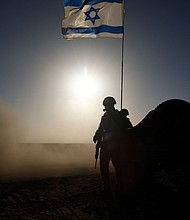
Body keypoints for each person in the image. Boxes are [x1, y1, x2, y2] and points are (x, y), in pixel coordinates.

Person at [93, 96, 132, 191]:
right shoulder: (108, 116)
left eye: (107, 105)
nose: (107, 107)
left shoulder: (118, 116)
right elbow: (101, 128)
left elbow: (129, 128)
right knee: (109, 166)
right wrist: (96, 135)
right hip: (109, 145)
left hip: (114, 145)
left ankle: (117, 185)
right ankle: (109, 186)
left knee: (115, 166)